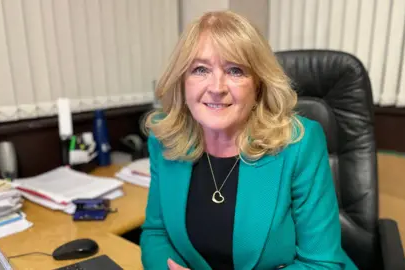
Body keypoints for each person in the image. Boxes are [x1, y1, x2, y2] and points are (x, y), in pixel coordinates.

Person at [140, 10, 358, 270]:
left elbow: (321, 263)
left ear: (258, 84)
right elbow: (156, 232)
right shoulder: (164, 139)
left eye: (235, 70)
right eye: (200, 69)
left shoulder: (299, 143)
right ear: (182, 81)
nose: (217, 88)